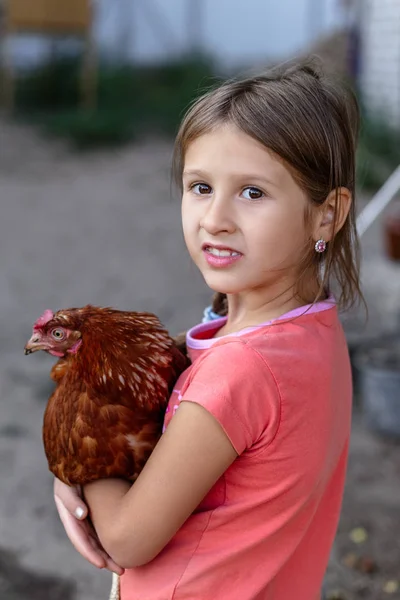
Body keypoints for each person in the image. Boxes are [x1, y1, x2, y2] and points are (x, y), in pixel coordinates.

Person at [54, 59, 363, 600]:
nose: (215, 217)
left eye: (252, 193)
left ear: (326, 216)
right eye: (200, 187)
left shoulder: (239, 372)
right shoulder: (312, 329)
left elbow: (125, 540)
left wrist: (79, 458)